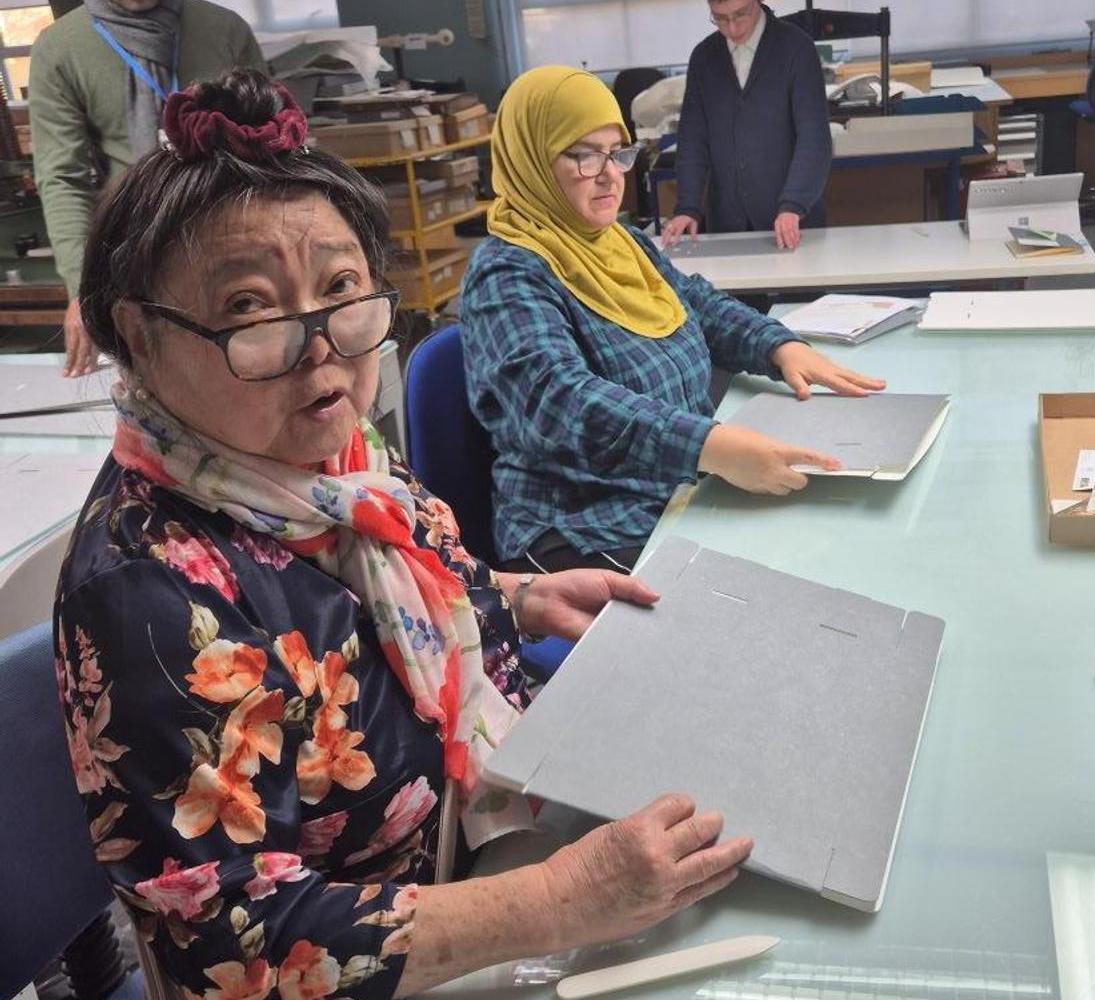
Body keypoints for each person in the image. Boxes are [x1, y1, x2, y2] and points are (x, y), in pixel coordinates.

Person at [55, 69, 752, 1000]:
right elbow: (229, 944)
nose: (323, 350)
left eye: (343, 289)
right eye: (250, 310)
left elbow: (399, 585)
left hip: (480, 852)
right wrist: (558, 898)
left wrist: (513, 593)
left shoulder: (328, 461)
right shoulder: (148, 590)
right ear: (138, 334)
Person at [460, 66, 883, 575]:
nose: (610, 173)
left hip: (675, 489)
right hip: (585, 526)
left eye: (617, 151)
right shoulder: (508, 272)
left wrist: (778, 346)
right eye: (582, 154)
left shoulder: (619, 240)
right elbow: (560, 403)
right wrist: (710, 446)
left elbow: (695, 304)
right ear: (530, 157)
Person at [29, 0, 263, 377]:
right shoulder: (61, 48)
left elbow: (269, 143)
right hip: (136, 256)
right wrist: (80, 289)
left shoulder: (224, 30)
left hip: (237, 241)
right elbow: (64, 179)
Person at [662, 0, 831, 250]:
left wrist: (793, 204)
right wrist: (688, 207)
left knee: (800, 288)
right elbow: (692, 140)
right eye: (720, 18)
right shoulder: (704, 57)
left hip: (793, 223)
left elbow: (814, 139)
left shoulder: (796, 48)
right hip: (728, 225)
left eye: (740, 15)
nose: (732, 28)